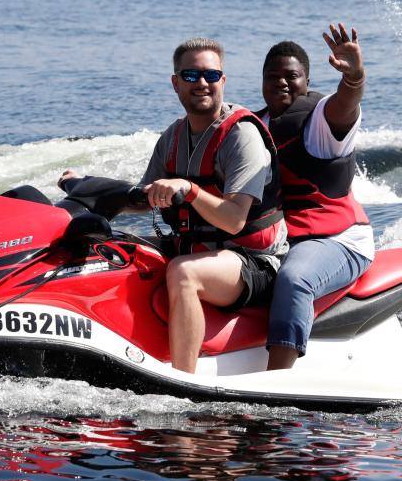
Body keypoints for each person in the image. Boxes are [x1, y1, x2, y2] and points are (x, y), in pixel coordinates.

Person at [60, 38, 287, 374]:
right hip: (194, 246)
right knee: (110, 250)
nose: (202, 83)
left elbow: (235, 219)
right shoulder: (172, 138)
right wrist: (86, 186)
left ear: (223, 80)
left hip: (253, 262)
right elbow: (145, 196)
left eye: (211, 74)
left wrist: (190, 189)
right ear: (176, 83)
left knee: (183, 273)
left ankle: (183, 381)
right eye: (191, 75)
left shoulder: (242, 136)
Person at [255, 23, 374, 370]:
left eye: (291, 76)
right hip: (277, 237)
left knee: (295, 280)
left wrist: (354, 78)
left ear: (306, 82)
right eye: (272, 76)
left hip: (335, 239)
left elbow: (345, 105)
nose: (281, 82)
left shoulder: (321, 120)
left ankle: (277, 377)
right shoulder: (251, 125)